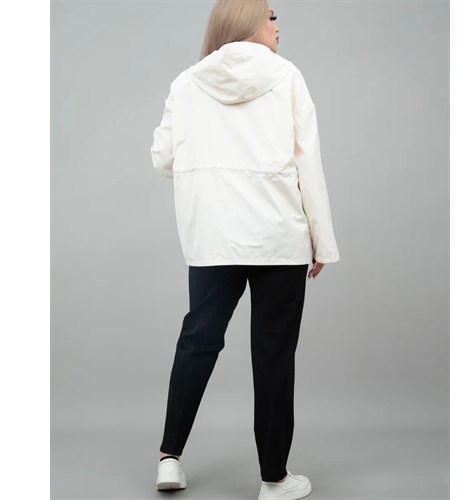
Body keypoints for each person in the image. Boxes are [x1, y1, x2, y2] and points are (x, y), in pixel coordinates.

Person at [150, 1, 340, 498]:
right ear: (249, 22)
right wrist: (322, 238)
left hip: (214, 235)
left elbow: (163, 158)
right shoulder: (287, 76)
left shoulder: (187, 83)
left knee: (198, 341)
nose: (278, 24)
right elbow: (308, 162)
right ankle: (274, 480)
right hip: (279, 236)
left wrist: (210, 165)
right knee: (274, 354)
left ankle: (169, 459)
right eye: (271, 15)